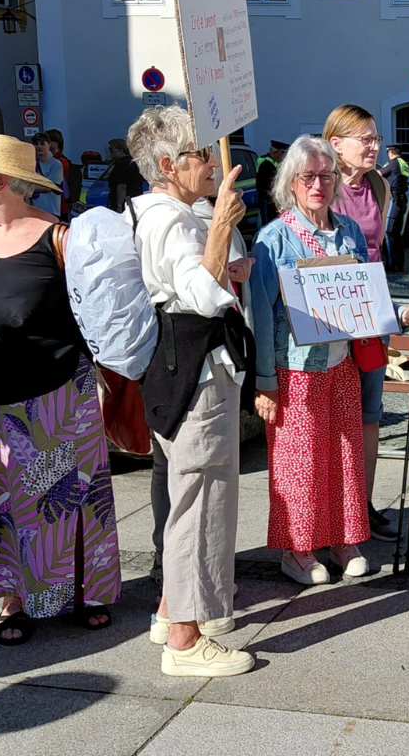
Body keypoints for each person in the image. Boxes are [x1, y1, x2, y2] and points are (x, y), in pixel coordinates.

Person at [0, 132, 120, 644]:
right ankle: (12, 599)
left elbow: (92, 317)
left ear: (0, 181)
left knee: (70, 501)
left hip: (58, 395)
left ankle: (85, 592)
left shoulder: (59, 239)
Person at [251, 136, 409, 584]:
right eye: (309, 177)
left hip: (342, 364)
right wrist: (263, 381)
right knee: (300, 462)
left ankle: (342, 540)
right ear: (291, 183)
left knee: (345, 455)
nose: (318, 184)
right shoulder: (273, 239)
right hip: (294, 368)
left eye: (326, 176)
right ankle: (297, 550)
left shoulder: (348, 231)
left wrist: (402, 315)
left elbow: (362, 300)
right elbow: (258, 313)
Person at [127, 105, 256, 678]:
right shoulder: (173, 221)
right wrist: (221, 223)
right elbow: (203, 296)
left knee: (190, 492)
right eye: (200, 153)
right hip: (197, 370)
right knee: (199, 499)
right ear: (166, 165)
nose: (210, 162)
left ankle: (169, 611)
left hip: (186, 368)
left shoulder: (170, 213)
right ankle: (185, 638)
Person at [326, 105, 396, 542]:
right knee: (334, 414)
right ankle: (332, 506)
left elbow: (380, 248)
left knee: (369, 415)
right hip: (332, 313)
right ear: (336, 144)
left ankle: (362, 507)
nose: (374, 145)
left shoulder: (378, 185)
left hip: (371, 312)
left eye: (374, 137)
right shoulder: (321, 186)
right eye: (364, 139)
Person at [378, 144, 409, 273]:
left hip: (394, 199)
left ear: (390, 152)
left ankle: (391, 265)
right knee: (396, 234)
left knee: (388, 232)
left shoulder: (393, 163)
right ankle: (400, 264)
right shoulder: (404, 164)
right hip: (402, 200)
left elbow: (378, 174)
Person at [47, 129, 80, 220]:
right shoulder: (59, 160)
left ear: (56, 142)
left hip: (60, 204)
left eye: (49, 141)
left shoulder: (60, 162)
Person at [30, 133, 65, 217]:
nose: (39, 146)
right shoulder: (32, 163)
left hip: (51, 210)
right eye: (36, 144)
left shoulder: (56, 164)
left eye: (42, 144)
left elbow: (48, 187)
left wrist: (28, 187)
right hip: (35, 209)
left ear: (49, 145)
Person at [107, 138, 144, 212]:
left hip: (125, 201)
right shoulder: (134, 162)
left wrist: (119, 205)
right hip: (135, 199)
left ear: (120, 151)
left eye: (111, 150)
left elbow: (122, 187)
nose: (110, 153)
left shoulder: (121, 164)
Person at [256, 139, 288, 225]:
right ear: (276, 152)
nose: (282, 157)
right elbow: (267, 185)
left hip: (271, 200)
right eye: (282, 153)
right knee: (268, 223)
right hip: (268, 200)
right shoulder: (266, 164)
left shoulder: (272, 162)